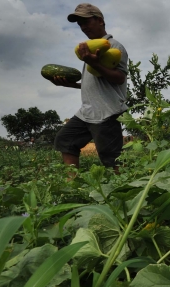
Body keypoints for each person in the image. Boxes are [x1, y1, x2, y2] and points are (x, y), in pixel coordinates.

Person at [51, 3, 128, 175]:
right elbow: (96, 85)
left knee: (111, 158)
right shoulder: (89, 49)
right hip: (87, 111)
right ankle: (73, 185)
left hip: (107, 112)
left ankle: (124, 191)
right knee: (66, 140)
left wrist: (94, 63)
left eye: (86, 21)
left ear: (100, 20)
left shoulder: (113, 46)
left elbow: (119, 78)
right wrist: (72, 85)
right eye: (80, 24)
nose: (83, 27)